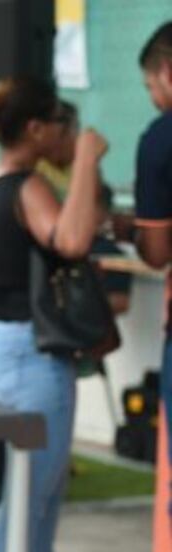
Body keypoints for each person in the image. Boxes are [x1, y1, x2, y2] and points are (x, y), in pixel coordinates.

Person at [0, 77, 108, 552]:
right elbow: (72, 239)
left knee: (40, 489)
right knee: (29, 493)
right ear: (36, 131)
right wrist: (88, 161)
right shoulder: (27, 187)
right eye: (62, 127)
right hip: (28, 353)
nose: (69, 137)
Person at [132, 23, 172, 463]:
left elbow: (157, 252)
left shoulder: (161, 138)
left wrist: (137, 233)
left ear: (167, 71)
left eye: (150, 86)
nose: (153, 98)